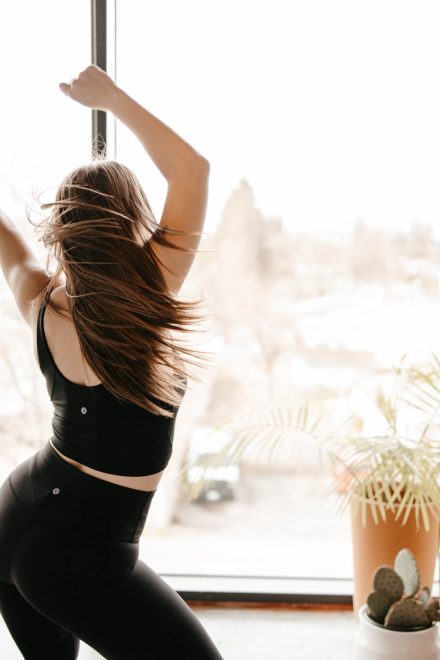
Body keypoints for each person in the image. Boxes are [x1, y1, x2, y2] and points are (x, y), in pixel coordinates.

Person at [0, 65, 223, 659]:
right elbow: (192, 171)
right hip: (81, 550)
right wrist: (111, 98)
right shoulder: (150, 290)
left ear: (65, 234)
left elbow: (7, 241)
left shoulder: (41, 303)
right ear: (132, 223)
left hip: (17, 512)